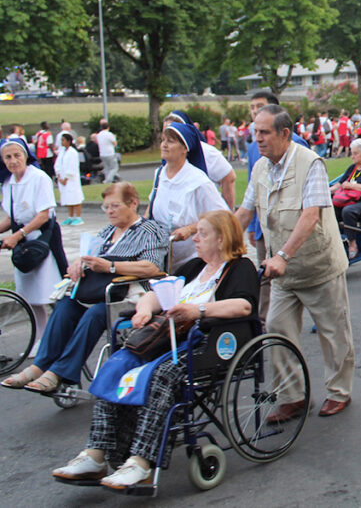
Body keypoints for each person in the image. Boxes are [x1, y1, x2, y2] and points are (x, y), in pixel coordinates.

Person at [51, 210, 257, 491]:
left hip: (202, 342)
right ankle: (95, 454)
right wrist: (145, 308)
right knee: (117, 364)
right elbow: (157, 290)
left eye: (202, 234)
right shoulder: (193, 267)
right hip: (165, 338)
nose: (194, 238)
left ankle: (141, 462)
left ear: (221, 240)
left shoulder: (240, 267)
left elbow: (244, 306)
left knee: (158, 375)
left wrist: (195, 310)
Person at [235, 104, 355, 419]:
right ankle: (293, 396)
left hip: (318, 265)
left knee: (333, 333)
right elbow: (246, 210)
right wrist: (223, 240)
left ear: (284, 133)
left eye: (263, 132)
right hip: (283, 273)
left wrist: (283, 255)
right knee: (276, 327)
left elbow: (311, 215)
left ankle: (339, 392)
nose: (256, 138)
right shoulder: (261, 167)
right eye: (254, 131)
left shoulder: (309, 163)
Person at [2, 183, 165, 392]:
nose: (109, 212)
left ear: (133, 203)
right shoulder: (108, 230)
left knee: (96, 314)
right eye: (106, 207)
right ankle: (39, 366)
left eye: (114, 206)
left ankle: (59, 373)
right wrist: (80, 262)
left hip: (130, 295)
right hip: (97, 291)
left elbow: (152, 267)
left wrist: (111, 266)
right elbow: (90, 253)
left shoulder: (150, 230)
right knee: (65, 306)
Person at [244, 91, 308, 321]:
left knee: (298, 280)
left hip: (295, 228)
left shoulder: (299, 148)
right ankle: (264, 325)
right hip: (266, 228)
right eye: (252, 107)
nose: (254, 111)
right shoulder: (255, 147)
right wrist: (252, 226)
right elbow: (253, 192)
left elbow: (309, 206)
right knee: (266, 281)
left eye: (259, 106)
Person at [0, 137, 68, 352]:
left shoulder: (39, 178)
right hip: (24, 243)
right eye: (8, 157)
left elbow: (42, 215)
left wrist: (17, 236)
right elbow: (13, 217)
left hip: (42, 239)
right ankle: (41, 339)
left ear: (25, 156)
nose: (13, 161)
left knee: (51, 291)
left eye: (16, 155)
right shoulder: (9, 183)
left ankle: (60, 337)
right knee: (31, 297)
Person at [146, 123, 228, 270]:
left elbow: (222, 215)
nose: (164, 145)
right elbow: (151, 208)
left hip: (191, 261)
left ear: (185, 148)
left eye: (170, 141)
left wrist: (190, 229)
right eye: (163, 140)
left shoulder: (198, 181)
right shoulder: (159, 174)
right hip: (160, 258)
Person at [164, 111, 237, 209]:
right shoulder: (164, 164)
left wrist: (228, 214)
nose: (165, 142)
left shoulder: (207, 152)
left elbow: (229, 177)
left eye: (172, 136)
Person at [55, 132, 85, 225]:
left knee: (75, 197)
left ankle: (78, 217)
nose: (62, 142)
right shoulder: (62, 152)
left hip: (71, 179)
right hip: (63, 178)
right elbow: (58, 164)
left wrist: (66, 178)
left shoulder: (73, 152)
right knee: (68, 198)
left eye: (63, 140)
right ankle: (70, 216)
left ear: (68, 141)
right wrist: (59, 175)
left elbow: (73, 166)